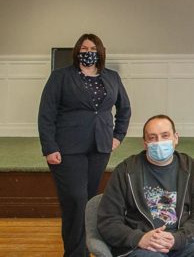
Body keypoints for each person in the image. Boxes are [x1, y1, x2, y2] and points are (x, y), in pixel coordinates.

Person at [38, 33, 131, 257]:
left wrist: (117, 136)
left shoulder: (112, 77)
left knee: (88, 202)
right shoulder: (60, 77)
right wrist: (49, 147)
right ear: (77, 52)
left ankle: (88, 247)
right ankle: (74, 253)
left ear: (100, 52)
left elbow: (124, 109)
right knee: (75, 200)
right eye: (83, 48)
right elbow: (46, 114)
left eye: (92, 48)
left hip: (100, 147)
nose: (88, 51)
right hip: (67, 149)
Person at [97, 115, 194, 257]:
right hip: (142, 246)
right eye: (152, 138)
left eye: (165, 135)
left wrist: (178, 238)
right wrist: (139, 238)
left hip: (183, 241)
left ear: (176, 138)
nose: (159, 142)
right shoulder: (125, 170)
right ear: (145, 143)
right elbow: (108, 220)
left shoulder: (191, 167)